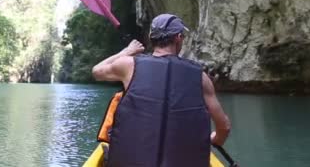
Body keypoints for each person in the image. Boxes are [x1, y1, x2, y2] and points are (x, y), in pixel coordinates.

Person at [92, 13, 231, 167]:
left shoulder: (128, 65)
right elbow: (224, 127)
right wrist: (214, 139)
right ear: (178, 37)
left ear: (152, 38)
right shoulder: (201, 78)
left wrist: (126, 51)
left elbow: (96, 71)